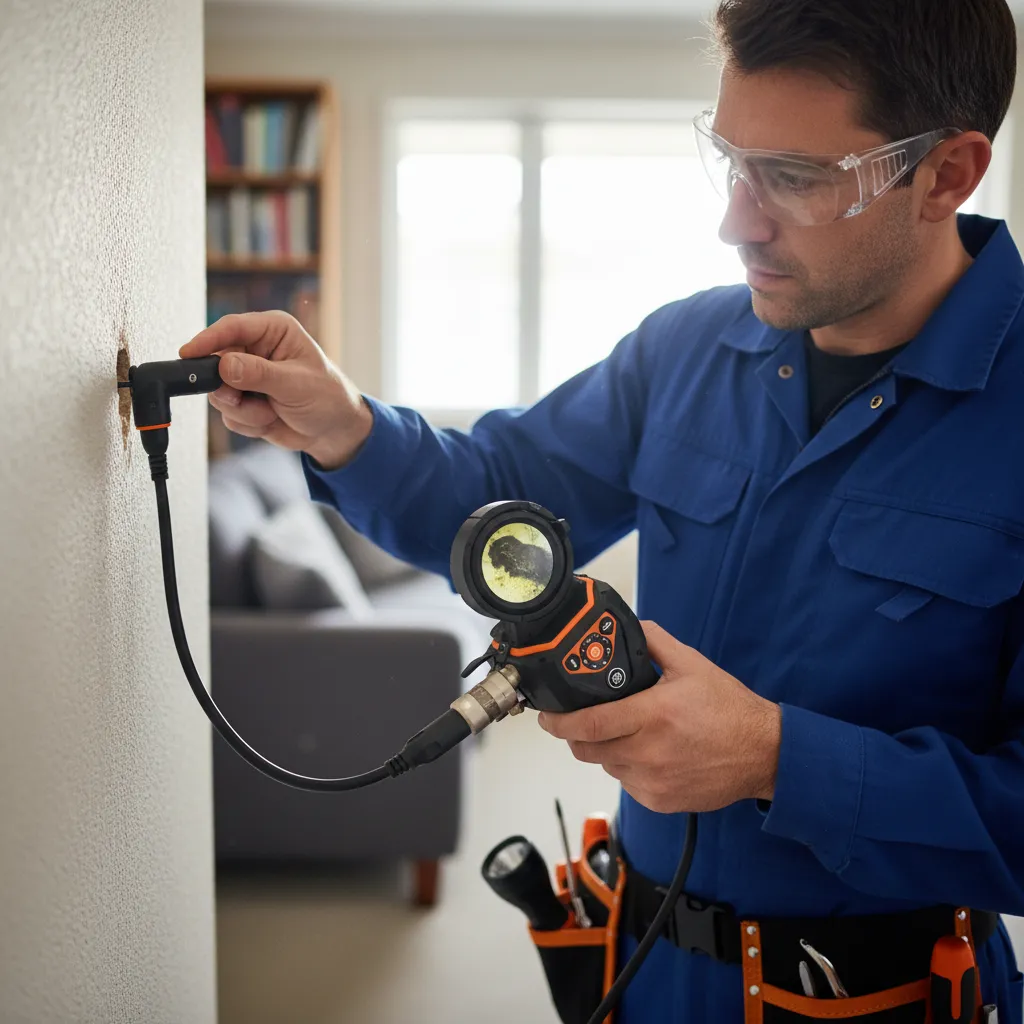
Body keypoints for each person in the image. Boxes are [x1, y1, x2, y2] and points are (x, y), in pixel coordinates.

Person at [184, 0, 1024, 1019]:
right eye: (731, 160)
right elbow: (498, 496)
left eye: (796, 179)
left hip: (881, 994)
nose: (735, 220)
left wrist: (773, 755)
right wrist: (346, 426)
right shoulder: (685, 349)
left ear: (946, 173)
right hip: (637, 965)